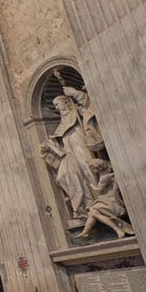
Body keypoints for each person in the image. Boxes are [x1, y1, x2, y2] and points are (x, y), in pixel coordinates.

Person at [42, 84, 104, 220]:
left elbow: (89, 105)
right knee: (63, 176)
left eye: (58, 104)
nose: (57, 108)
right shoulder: (62, 122)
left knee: (88, 170)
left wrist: (75, 93)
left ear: (66, 102)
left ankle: (100, 201)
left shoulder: (76, 111)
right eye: (55, 106)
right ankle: (85, 204)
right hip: (68, 152)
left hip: (81, 145)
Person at [76, 158, 135, 238]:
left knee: (93, 212)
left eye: (93, 168)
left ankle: (117, 229)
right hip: (109, 198)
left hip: (111, 200)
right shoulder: (108, 174)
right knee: (93, 213)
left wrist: (90, 184)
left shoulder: (104, 177)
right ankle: (86, 232)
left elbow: (99, 190)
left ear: (98, 168)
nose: (93, 170)